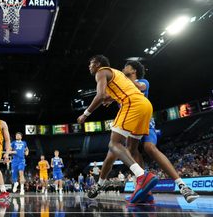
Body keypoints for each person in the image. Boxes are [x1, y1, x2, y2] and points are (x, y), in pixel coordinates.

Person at [97, 60, 198, 203]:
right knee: (131, 151)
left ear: (133, 71)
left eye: (126, 66)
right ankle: (145, 190)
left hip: (146, 122)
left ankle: (183, 186)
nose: (123, 68)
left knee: (149, 147)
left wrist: (119, 83)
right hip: (132, 122)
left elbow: (139, 86)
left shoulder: (142, 81)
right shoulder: (124, 87)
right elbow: (109, 96)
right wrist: (106, 97)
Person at [77, 55, 157, 203]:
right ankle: (144, 192)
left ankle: (142, 176)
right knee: (117, 152)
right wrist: (111, 97)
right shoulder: (117, 74)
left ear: (98, 64)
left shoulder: (101, 72)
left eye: (91, 63)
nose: (89, 66)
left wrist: (85, 114)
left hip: (131, 105)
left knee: (114, 144)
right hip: (146, 107)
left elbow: (100, 95)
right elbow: (117, 92)